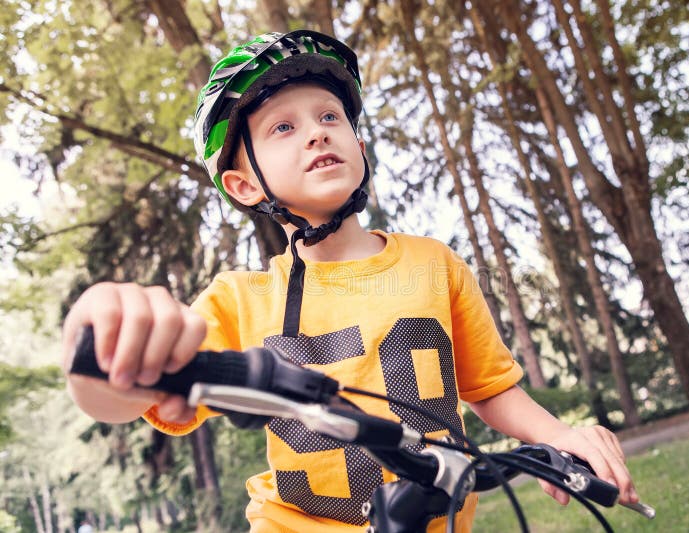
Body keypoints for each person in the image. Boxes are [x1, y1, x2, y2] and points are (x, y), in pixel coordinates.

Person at [61, 30, 638, 532]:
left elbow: (490, 389)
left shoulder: (433, 264)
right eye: (283, 127)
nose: (316, 133)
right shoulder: (239, 300)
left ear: (359, 148)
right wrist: (101, 337)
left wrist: (560, 436)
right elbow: (128, 397)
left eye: (330, 117)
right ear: (244, 186)